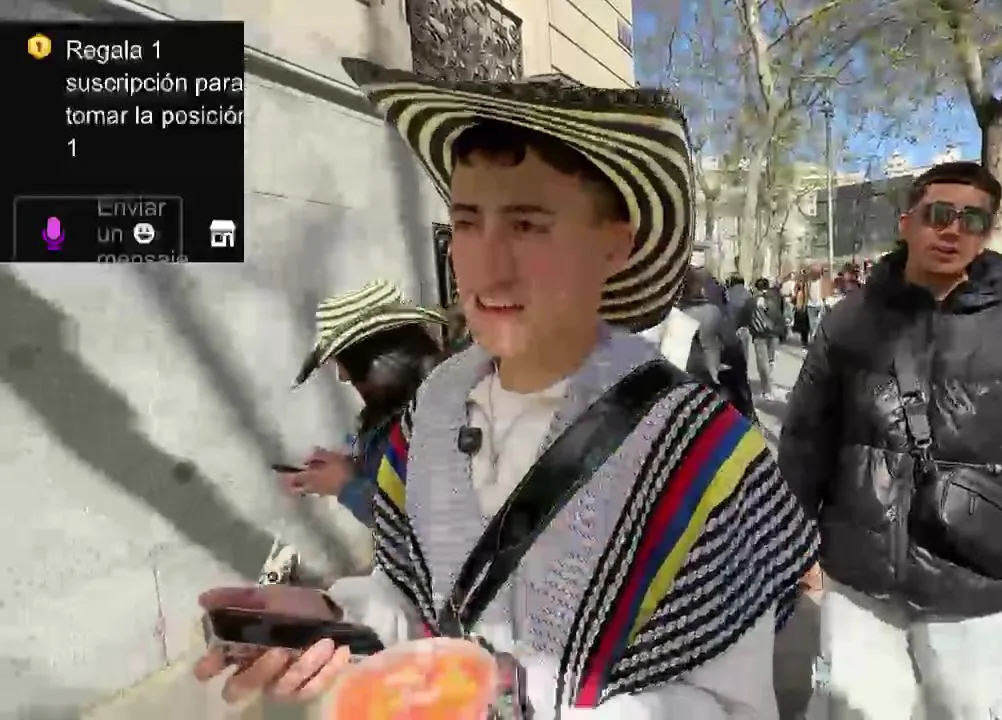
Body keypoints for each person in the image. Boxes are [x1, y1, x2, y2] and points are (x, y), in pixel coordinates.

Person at [195, 58, 818, 715]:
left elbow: (730, 706)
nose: (486, 267)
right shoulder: (432, 412)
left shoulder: (703, 451)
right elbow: (421, 607)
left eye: (527, 225)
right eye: (467, 223)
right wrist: (334, 619)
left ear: (613, 247)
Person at [779, 161, 1002, 720]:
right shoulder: (849, 321)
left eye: (973, 220)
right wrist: (792, 543)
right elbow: (804, 442)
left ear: (986, 234)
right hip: (859, 578)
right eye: (939, 214)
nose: (953, 230)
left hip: (972, 586)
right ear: (907, 221)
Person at [277, 280, 448, 526]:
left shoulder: (440, 418)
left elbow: (418, 526)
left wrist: (345, 486)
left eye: (345, 365)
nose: (342, 377)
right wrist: (351, 465)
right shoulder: (394, 411)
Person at [747, 277, 786, 400]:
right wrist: (782, 332)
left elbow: (746, 317)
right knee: (769, 361)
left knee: (762, 363)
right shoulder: (776, 297)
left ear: (756, 288)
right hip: (773, 334)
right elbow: (781, 315)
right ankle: (768, 384)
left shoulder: (751, 301)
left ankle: (766, 388)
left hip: (759, 335)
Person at [793, 268, 813, 346]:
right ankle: (803, 339)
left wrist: (804, 305)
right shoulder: (798, 284)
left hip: (803, 305)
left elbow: (806, 295)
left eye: (803, 274)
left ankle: (805, 340)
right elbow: (795, 292)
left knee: (804, 324)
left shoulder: (805, 284)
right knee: (801, 323)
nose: (801, 276)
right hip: (798, 305)